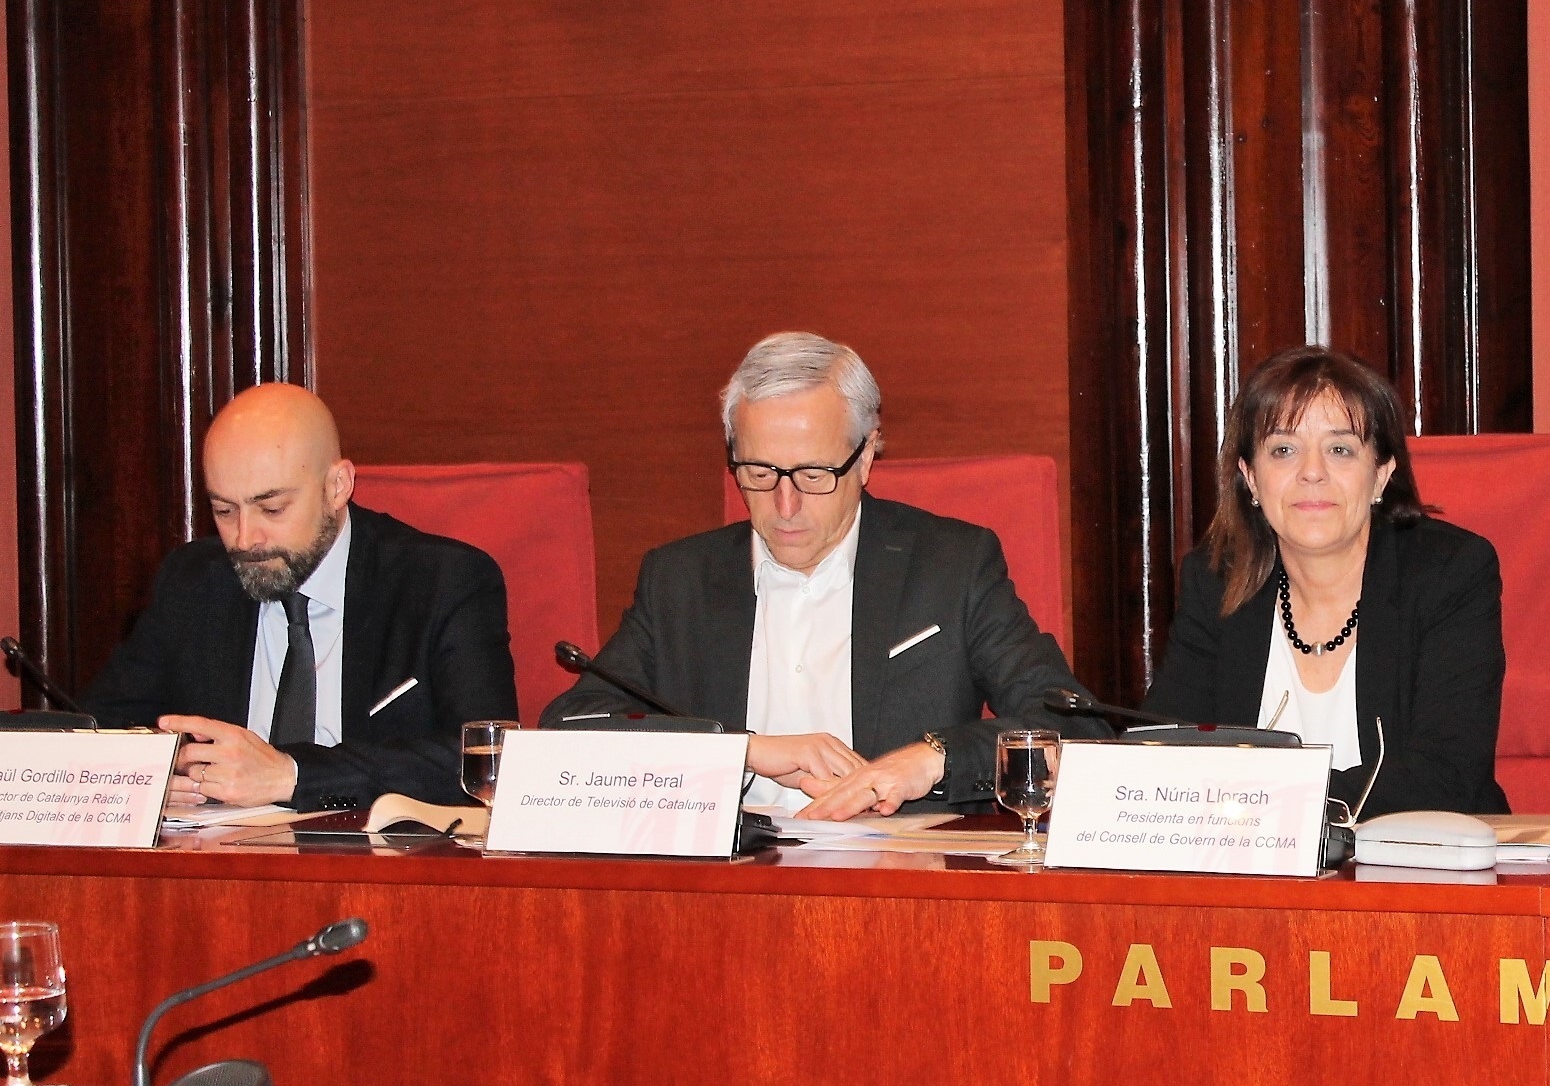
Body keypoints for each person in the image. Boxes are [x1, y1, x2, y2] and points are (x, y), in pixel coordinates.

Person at [540, 331, 1097, 819]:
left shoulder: (951, 565)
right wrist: (743, 750)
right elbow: (572, 728)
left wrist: (932, 759)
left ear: (866, 456)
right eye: (759, 473)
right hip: (724, 878)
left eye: (813, 474)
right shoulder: (680, 579)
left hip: (894, 877)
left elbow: (1072, 725)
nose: (785, 506)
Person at [82, 383, 518, 811]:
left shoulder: (442, 582)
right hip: (218, 847)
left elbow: (483, 758)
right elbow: (97, 728)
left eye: (272, 509)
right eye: (224, 511)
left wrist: (291, 775)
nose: (245, 538)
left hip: (372, 850)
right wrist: (158, 767)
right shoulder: (194, 582)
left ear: (337, 486)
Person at [1140, 345, 1507, 819]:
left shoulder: (1448, 572)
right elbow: (1163, 755)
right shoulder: (1216, 582)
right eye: (1284, 450)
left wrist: (1268, 796)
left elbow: (1447, 776)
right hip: (1252, 861)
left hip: (1420, 857)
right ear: (1251, 478)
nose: (1312, 472)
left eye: (1340, 450)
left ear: (1381, 474)